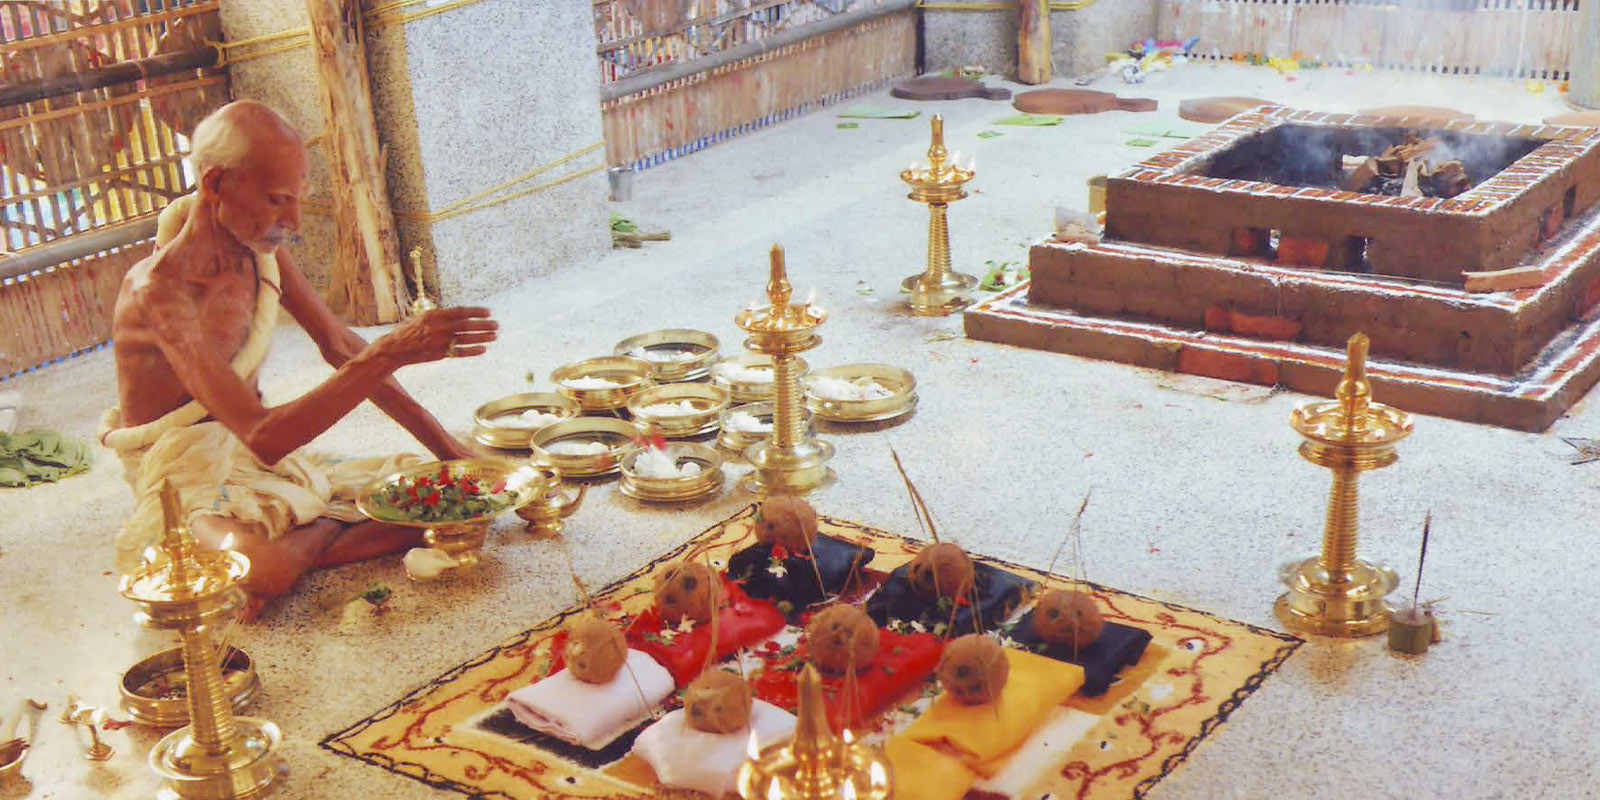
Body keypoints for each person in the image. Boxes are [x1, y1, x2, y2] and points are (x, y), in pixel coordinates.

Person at [101, 100, 496, 615]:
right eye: (276, 200)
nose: (291, 221)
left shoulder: (258, 249)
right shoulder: (159, 293)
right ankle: (324, 523)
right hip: (181, 471)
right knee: (262, 569)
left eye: (297, 199)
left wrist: (450, 449)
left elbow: (341, 346)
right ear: (215, 183)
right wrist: (389, 352)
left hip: (248, 458)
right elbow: (265, 436)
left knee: (456, 502)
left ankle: (303, 538)